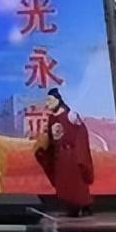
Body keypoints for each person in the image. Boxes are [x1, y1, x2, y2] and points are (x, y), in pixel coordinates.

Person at [34, 88, 94, 217]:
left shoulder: (70, 115)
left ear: (58, 100)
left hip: (71, 154)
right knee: (63, 183)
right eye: (47, 101)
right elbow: (51, 138)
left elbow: (81, 132)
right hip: (59, 155)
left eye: (50, 100)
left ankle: (84, 206)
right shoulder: (51, 118)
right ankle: (71, 207)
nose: (48, 103)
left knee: (77, 182)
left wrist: (79, 152)